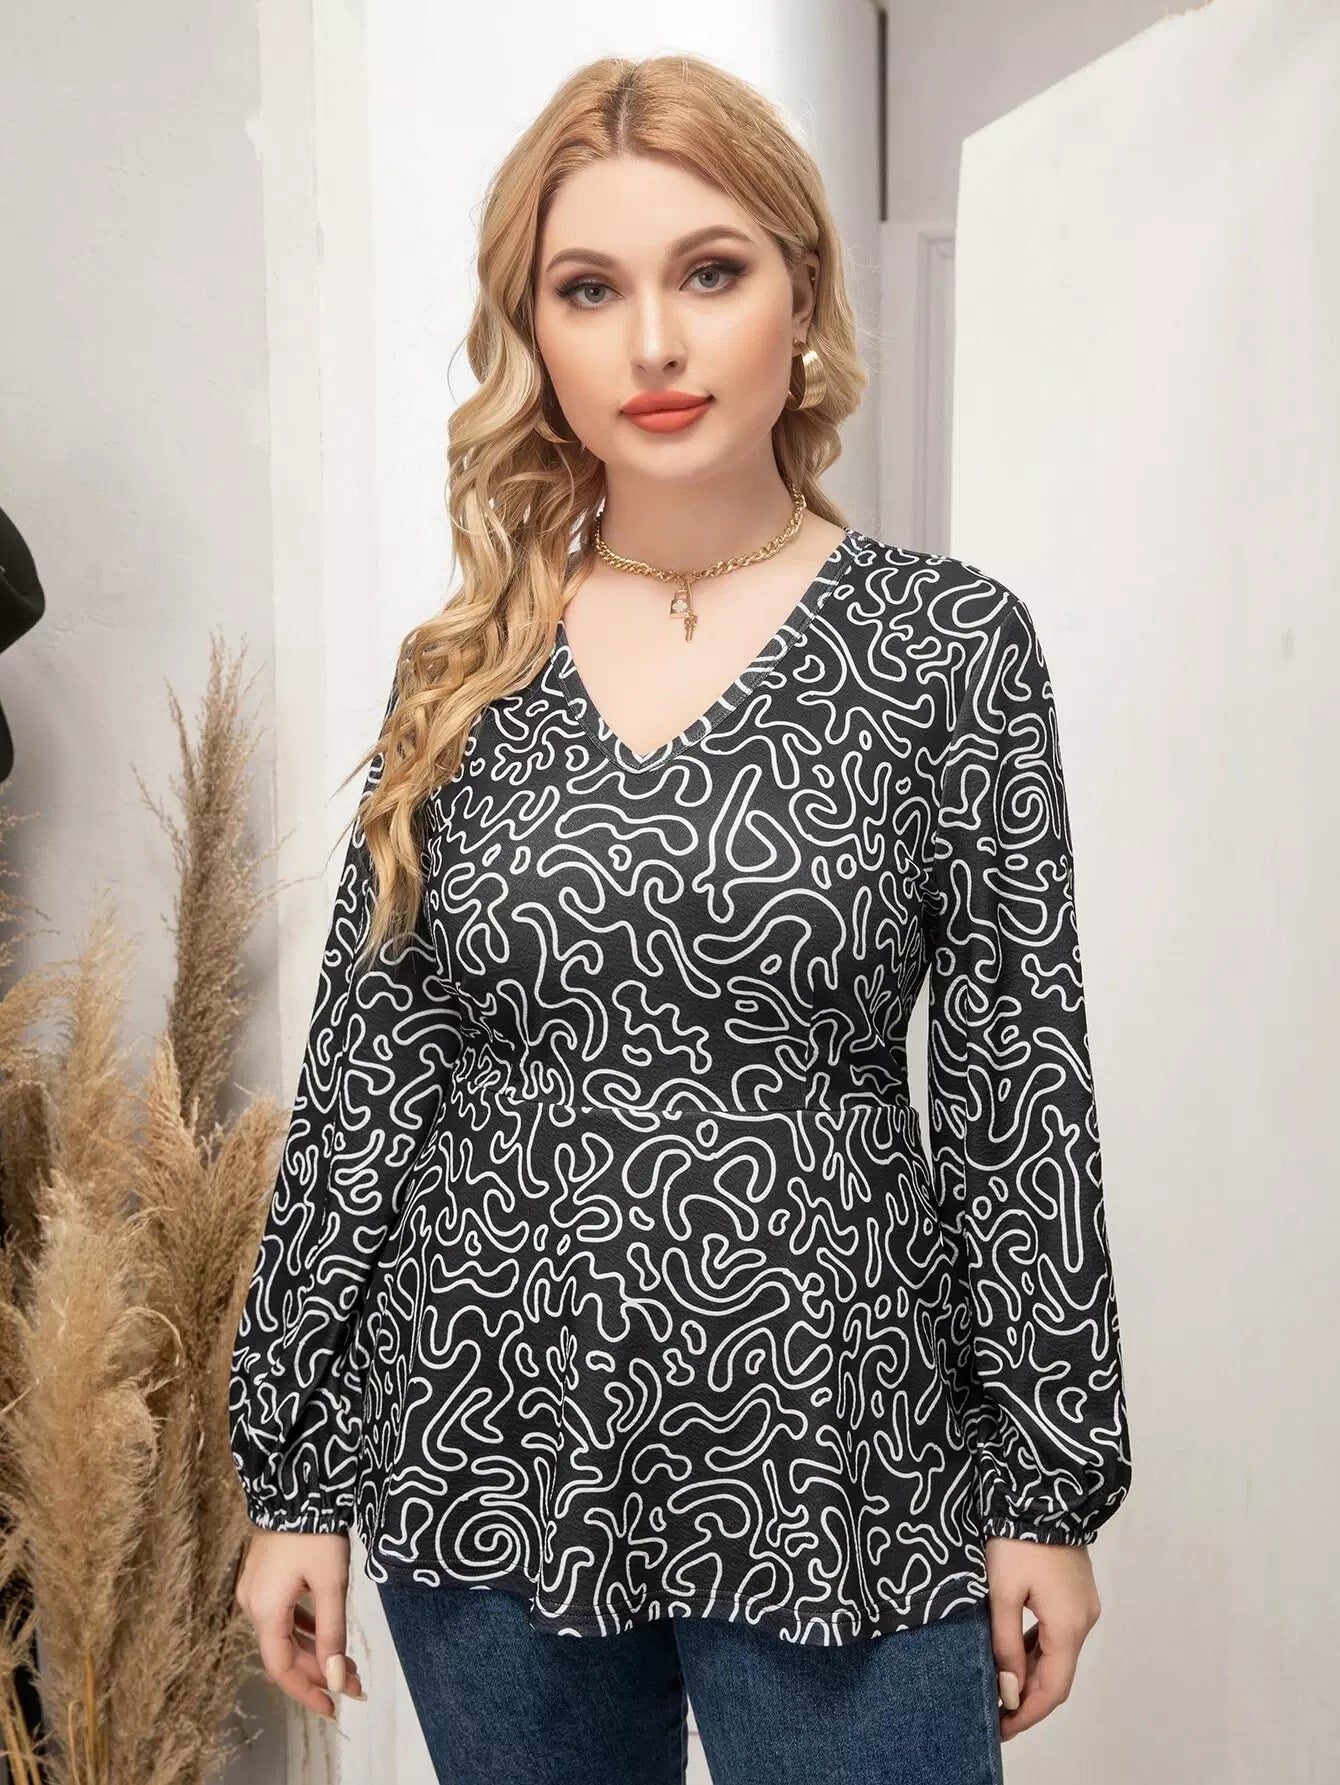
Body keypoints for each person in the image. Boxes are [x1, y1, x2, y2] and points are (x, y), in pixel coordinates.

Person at [229, 52, 1132, 1785]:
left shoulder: (946, 648)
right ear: (534, 335)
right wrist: (298, 1476)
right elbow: (369, 1085)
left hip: (846, 1448)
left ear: (801, 290)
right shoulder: (464, 668)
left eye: (708, 271)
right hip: (488, 1444)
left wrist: (1047, 1489)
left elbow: (1020, 1089)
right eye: (590, 288)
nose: (654, 341)